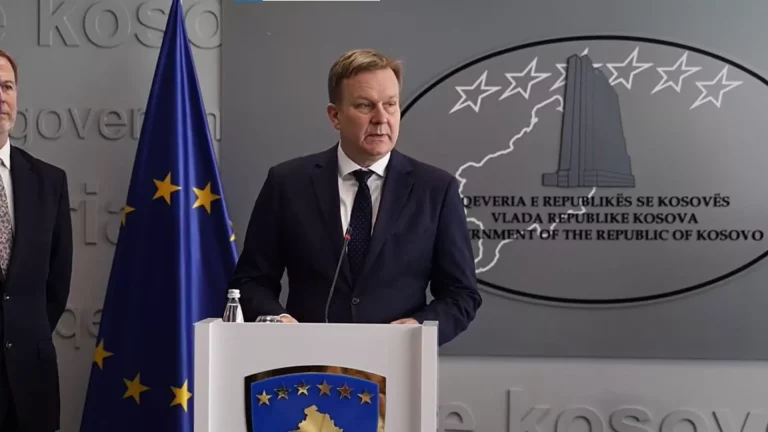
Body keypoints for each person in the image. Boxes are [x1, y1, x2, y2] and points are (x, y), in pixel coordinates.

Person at [229, 48, 481, 346]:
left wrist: (417, 328)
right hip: (306, 359)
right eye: (365, 105)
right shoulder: (288, 183)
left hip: (397, 360)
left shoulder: (436, 189)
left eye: (390, 104)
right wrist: (278, 321)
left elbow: (461, 294)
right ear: (335, 116)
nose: (381, 118)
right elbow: (251, 281)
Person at [0, 49, 73, 432]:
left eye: (7, 87)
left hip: (30, 382)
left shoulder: (49, 181)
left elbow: (57, 284)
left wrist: (24, 333)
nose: (1, 97)